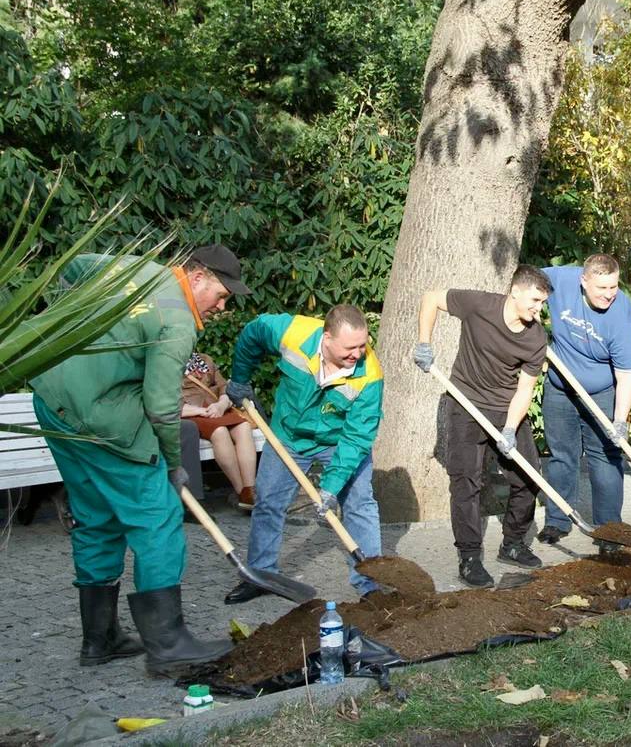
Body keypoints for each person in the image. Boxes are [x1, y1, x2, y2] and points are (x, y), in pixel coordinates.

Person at [31, 245, 249, 676]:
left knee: (95, 514)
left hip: (53, 400)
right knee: (158, 517)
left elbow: (70, 266)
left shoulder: (135, 268)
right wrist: (172, 463)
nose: (222, 307)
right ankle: (168, 644)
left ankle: (100, 639)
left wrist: (69, 323)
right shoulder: (176, 320)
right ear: (198, 278)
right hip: (104, 418)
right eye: (222, 295)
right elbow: (162, 408)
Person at [223, 304, 384, 603]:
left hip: (338, 442)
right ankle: (261, 575)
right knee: (268, 502)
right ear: (327, 337)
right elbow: (255, 331)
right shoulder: (293, 333)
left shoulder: (369, 375)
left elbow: (357, 437)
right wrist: (240, 379)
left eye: (363, 345)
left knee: (360, 504)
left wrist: (330, 487)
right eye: (350, 347)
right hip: (288, 436)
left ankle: (370, 585)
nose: (358, 354)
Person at [413, 265, 550, 588]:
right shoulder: (479, 305)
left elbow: (525, 390)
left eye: (543, 303)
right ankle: (470, 557)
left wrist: (510, 429)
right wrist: (424, 343)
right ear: (515, 291)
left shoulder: (535, 337)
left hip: (506, 408)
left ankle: (513, 544)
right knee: (466, 482)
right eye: (535, 300)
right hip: (465, 403)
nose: (539, 309)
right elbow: (431, 298)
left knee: (529, 476)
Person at [537, 255, 631, 555]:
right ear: (583, 281)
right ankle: (558, 520)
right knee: (562, 455)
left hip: (602, 392)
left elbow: (627, 374)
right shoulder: (560, 279)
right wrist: (530, 314)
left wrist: (620, 421)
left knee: (606, 456)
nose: (609, 294)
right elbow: (526, 284)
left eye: (613, 286)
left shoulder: (622, 314)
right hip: (560, 388)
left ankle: (609, 529)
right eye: (602, 288)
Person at [181, 352, 258, 510]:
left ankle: (250, 490)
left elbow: (223, 387)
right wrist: (201, 411)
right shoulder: (166, 363)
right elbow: (166, 401)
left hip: (217, 408)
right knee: (219, 431)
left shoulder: (205, 359)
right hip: (193, 411)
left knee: (243, 427)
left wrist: (221, 404)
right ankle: (241, 492)